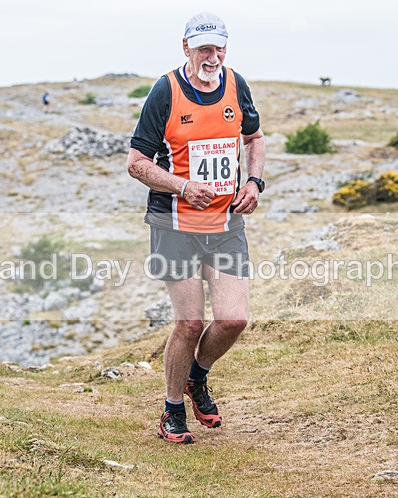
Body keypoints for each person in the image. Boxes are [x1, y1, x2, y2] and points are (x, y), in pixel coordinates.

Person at [127, 12, 265, 444]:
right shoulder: (165, 91)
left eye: (220, 47)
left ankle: (196, 377)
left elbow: (254, 138)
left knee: (234, 319)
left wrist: (254, 182)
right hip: (175, 224)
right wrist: (182, 186)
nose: (213, 55)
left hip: (226, 224)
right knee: (189, 322)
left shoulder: (236, 84)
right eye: (204, 48)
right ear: (185, 47)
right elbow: (136, 164)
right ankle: (171, 410)